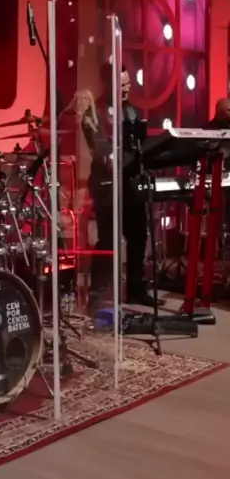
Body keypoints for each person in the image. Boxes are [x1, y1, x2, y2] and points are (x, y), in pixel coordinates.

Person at [80, 64, 164, 307]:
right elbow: (101, 150)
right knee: (108, 241)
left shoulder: (131, 111)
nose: (127, 89)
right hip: (107, 186)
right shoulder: (93, 113)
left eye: (128, 83)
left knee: (138, 236)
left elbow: (139, 144)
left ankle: (136, 289)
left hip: (130, 182)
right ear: (108, 84)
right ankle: (97, 295)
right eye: (122, 84)